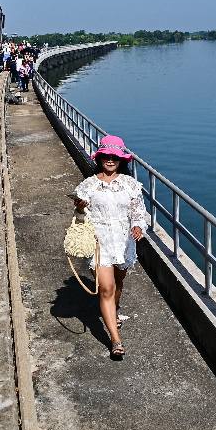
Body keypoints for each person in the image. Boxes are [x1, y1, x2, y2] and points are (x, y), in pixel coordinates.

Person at [72, 135, 148, 358]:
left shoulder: (130, 185)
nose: (110, 159)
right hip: (100, 242)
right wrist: (79, 208)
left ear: (121, 159)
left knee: (118, 282)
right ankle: (115, 340)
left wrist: (137, 227)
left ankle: (113, 312)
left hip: (124, 242)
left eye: (115, 156)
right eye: (106, 155)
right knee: (106, 288)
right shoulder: (88, 186)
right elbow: (79, 218)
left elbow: (138, 213)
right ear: (100, 158)